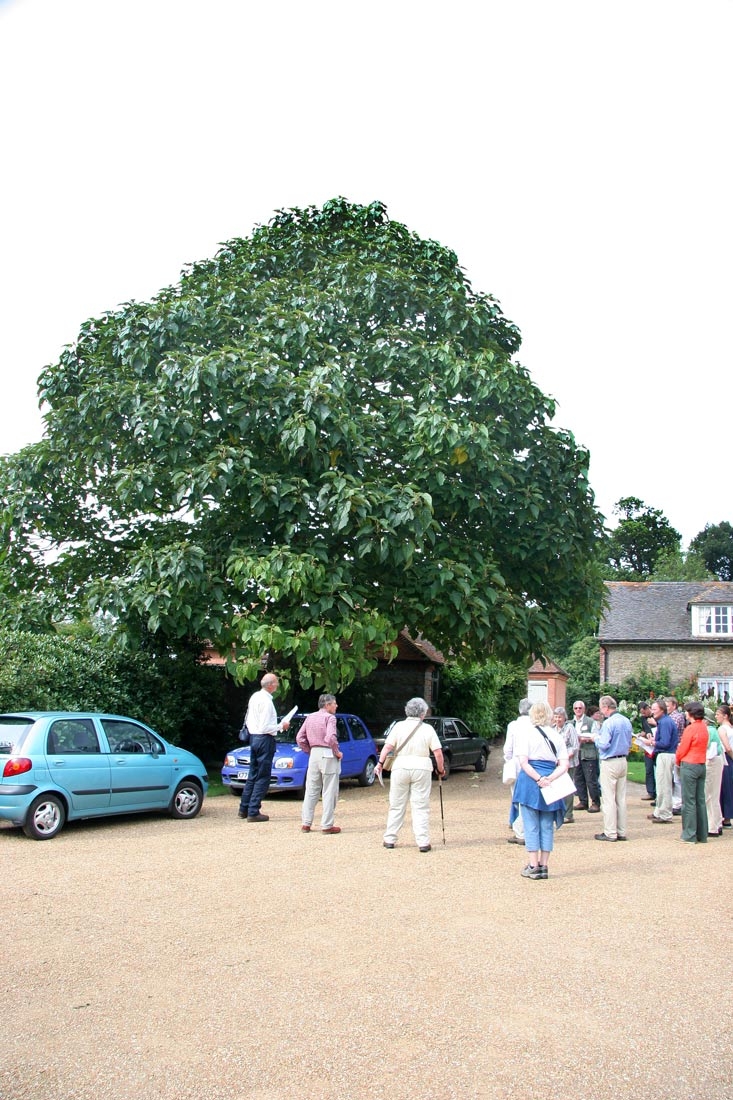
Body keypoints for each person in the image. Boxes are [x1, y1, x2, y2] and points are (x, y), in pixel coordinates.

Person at [375, 697, 445, 852]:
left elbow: (387, 747)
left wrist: (380, 764)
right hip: (422, 768)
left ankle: (389, 838)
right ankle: (423, 842)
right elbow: (438, 753)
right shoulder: (427, 729)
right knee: (420, 805)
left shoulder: (399, 726)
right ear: (422, 713)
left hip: (400, 767)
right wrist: (440, 769)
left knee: (396, 804)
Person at [511, 700, 569, 880]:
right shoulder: (557, 736)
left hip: (530, 782)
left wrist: (538, 778)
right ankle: (544, 865)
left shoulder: (526, 735)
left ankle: (533, 864)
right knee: (546, 825)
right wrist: (549, 778)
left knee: (531, 824)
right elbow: (564, 764)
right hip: (551, 781)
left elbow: (523, 763)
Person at [238, 673, 290, 822]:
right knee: (263, 776)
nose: (278, 685)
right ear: (270, 685)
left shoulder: (254, 697)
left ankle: (244, 808)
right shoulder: (266, 702)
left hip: (254, 737)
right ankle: (253, 811)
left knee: (252, 774)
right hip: (264, 738)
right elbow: (265, 726)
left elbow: (249, 719)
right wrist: (282, 726)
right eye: (276, 683)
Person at [296, 693, 343, 834]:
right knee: (329, 790)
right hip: (327, 753)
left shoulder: (310, 717)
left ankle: (306, 823)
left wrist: (309, 750)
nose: (336, 705)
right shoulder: (330, 718)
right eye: (334, 703)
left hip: (314, 753)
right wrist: (337, 752)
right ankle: (327, 824)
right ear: (327, 705)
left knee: (311, 789)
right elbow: (330, 738)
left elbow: (300, 737)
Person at [595, 695, 633, 842]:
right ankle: (622, 831)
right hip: (623, 759)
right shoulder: (626, 721)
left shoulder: (609, 723)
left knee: (608, 798)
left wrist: (596, 739)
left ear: (605, 707)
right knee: (621, 798)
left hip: (610, 761)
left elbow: (604, 744)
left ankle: (610, 831)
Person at [640, 699, 679, 824]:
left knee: (664, 785)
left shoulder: (665, 722)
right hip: (664, 755)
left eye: (655, 709)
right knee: (661, 785)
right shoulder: (663, 721)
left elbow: (665, 743)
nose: (652, 712)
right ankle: (659, 811)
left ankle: (665, 814)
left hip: (666, 755)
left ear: (662, 710)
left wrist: (650, 742)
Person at [675, 702, 709, 843]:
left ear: (691, 713)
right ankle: (702, 834)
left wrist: (677, 761)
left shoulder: (691, 729)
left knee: (688, 801)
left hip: (689, 764)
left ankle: (689, 834)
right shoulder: (704, 727)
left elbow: (683, 748)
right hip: (701, 764)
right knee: (700, 800)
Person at [503, 698, 533, 844]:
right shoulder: (535, 725)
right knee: (530, 798)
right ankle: (529, 831)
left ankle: (520, 832)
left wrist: (508, 760)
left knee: (517, 798)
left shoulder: (513, 725)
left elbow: (507, 749)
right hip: (532, 764)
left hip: (517, 763)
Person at [572, 700, 601, 813]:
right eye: (576, 708)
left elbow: (597, 737)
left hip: (589, 754)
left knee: (591, 779)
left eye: (580, 708)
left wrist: (585, 739)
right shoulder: (571, 722)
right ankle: (583, 801)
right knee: (578, 778)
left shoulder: (590, 722)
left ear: (584, 709)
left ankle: (595, 802)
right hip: (576, 753)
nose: (578, 710)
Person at [553, 706, 579, 823]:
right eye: (556, 716)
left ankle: (568, 814)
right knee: (557, 787)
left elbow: (575, 746)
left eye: (560, 717)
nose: (558, 719)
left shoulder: (570, 728)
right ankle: (558, 812)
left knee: (567, 788)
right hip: (556, 763)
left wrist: (564, 758)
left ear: (565, 718)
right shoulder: (553, 729)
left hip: (569, 763)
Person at [704, 714, 724, 837]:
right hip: (716, 761)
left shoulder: (709, 731)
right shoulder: (713, 730)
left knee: (709, 795)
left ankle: (712, 826)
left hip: (711, 761)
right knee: (714, 794)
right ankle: (717, 822)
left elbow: (705, 746)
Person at [714, 703, 733, 827]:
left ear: (725, 716)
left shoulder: (722, 729)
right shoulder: (731, 728)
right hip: (729, 758)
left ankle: (725, 817)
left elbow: (727, 747)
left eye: (718, 714)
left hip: (726, 758)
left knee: (724, 787)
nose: (716, 716)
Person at [638, 701, 657, 801]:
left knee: (657, 770)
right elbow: (645, 730)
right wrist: (642, 734)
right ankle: (650, 792)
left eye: (644, 712)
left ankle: (658, 792)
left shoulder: (656, 717)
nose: (643, 715)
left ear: (647, 708)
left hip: (656, 745)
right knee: (648, 770)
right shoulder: (643, 719)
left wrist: (654, 723)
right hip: (648, 746)